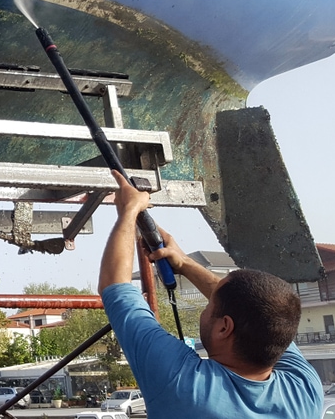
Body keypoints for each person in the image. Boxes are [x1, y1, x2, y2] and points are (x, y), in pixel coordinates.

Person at [98, 170, 323, 418]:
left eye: (209, 305)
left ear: (225, 327)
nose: (206, 308)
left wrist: (128, 211)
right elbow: (258, 308)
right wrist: (183, 263)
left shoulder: (182, 382)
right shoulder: (305, 391)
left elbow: (116, 287)